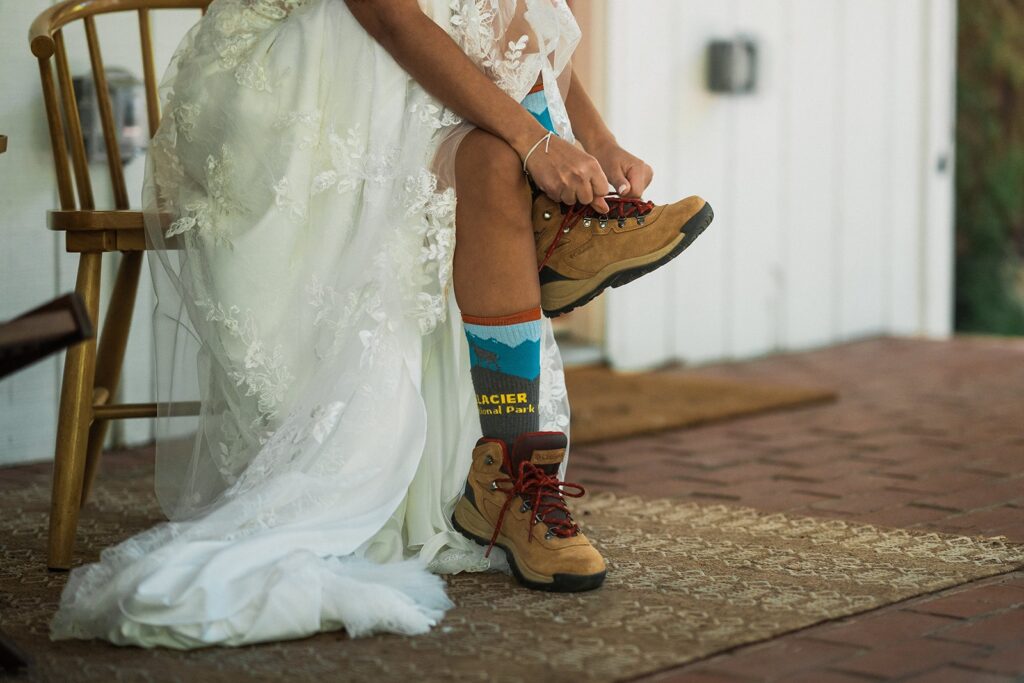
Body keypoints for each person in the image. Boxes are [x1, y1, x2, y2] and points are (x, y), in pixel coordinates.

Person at [49, 0, 712, 648]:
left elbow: (523, 20)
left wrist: (596, 141)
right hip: (294, 79)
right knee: (488, 85)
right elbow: (390, 16)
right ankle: (567, 232)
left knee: (493, 160)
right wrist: (540, 138)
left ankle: (509, 474)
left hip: (396, 72)